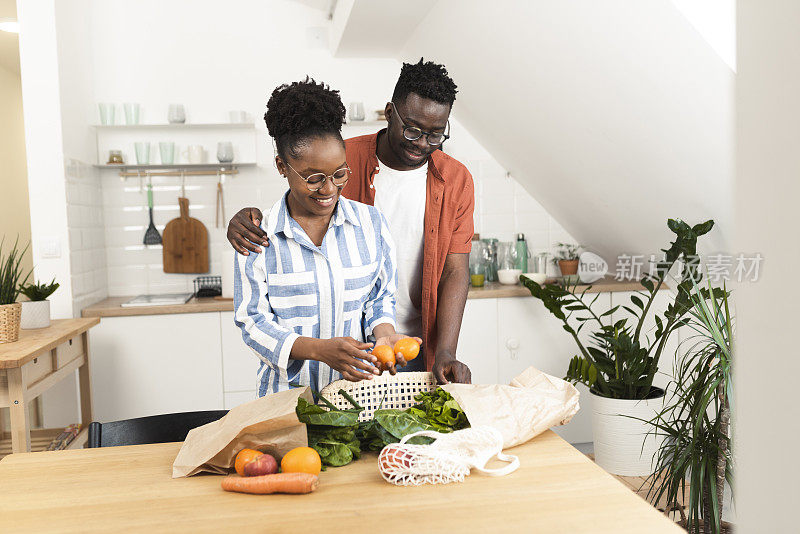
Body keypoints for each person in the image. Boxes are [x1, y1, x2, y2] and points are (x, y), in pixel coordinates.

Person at [229, 59, 474, 384]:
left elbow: (398, 288)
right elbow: (253, 321)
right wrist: (319, 349)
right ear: (390, 113)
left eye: (435, 135)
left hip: (392, 360)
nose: (421, 143)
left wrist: (431, 346)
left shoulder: (386, 215)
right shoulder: (345, 158)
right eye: (413, 130)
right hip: (297, 389)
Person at [234, 78, 419, 396]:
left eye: (339, 173)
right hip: (285, 403)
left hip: (358, 398)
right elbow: (252, 322)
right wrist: (318, 350)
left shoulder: (371, 224)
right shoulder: (257, 236)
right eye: (314, 178)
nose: (330, 189)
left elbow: (379, 298)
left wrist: (385, 332)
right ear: (282, 166)